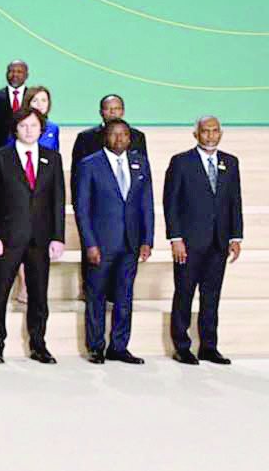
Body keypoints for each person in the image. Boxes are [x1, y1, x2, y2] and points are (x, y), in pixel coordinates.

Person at [0, 107, 67, 364]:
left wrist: (58, 237)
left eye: (34, 126)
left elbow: (58, 201)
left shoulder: (53, 159)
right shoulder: (0, 157)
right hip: (7, 238)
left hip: (40, 240)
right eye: (23, 126)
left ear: (42, 130)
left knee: (39, 295)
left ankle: (38, 344)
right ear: (15, 129)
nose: (29, 131)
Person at [73, 119, 153, 365]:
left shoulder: (140, 162)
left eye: (124, 135)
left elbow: (146, 204)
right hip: (101, 243)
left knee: (125, 296)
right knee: (96, 296)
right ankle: (96, 346)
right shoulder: (89, 165)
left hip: (130, 242)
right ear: (105, 137)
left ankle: (119, 346)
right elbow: (82, 209)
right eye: (114, 135)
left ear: (130, 138)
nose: (119, 140)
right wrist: (90, 243)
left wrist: (147, 239)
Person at [164, 115, 243, 365]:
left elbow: (234, 201)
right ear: (195, 134)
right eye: (205, 131)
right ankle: (182, 346)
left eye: (215, 130)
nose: (210, 135)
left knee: (212, 296)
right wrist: (175, 237)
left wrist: (235, 235)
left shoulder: (230, 162)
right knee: (184, 294)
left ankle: (209, 346)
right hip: (188, 243)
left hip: (218, 242)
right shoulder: (181, 162)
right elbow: (171, 202)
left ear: (221, 133)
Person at [70, 94, 150, 176]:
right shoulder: (86, 137)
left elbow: (144, 168)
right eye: (108, 109)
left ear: (123, 111)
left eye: (117, 108)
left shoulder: (137, 136)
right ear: (101, 112)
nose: (113, 112)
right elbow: (77, 171)